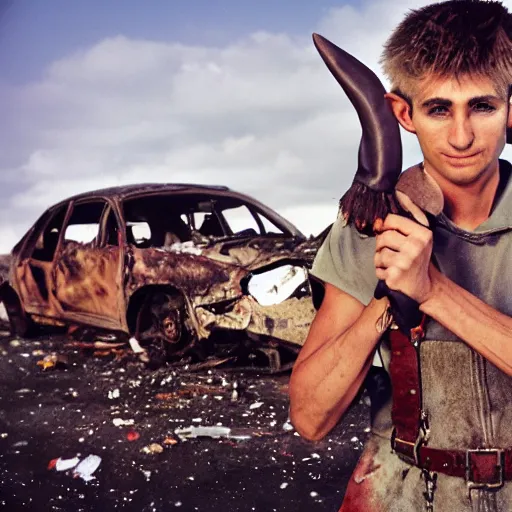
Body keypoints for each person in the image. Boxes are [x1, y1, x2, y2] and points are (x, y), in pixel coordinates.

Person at [289, 1, 512, 510]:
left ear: (510, 108)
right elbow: (310, 416)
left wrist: (431, 290)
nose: (460, 137)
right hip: (410, 493)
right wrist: (388, 297)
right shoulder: (365, 230)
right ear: (403, 113)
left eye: (482, 106)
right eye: (438, 109)